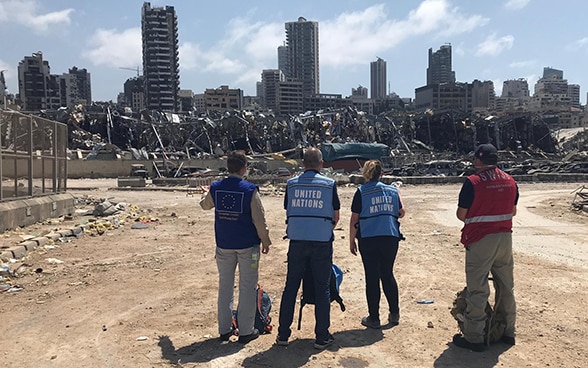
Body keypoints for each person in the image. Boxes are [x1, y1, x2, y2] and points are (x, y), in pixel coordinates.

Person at [199, 151, 272, 344]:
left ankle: (225, 329)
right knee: (248, 287)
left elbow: (205, 205)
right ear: (243, 167)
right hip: (249, 247)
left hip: (224, 245)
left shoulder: (216, 187)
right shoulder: (249, 190)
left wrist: (204, 194)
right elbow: (259, 219)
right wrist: (266, 241)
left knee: (225, 286)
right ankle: (246, 330)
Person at [453, 143, 519, 352]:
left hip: (480, 239)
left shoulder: (473, 182)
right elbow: (513, 211)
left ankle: (474, 337)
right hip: (505, 239)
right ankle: (508, 331)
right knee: (506, 285)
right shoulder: (511, 181)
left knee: (478, 287)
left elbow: (461, 215)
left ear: (479, 160)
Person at [276, 147, 340, 350]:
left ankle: (283, 335)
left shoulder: (291, 184)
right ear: (321, 164)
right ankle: (321, 336)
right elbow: (336, 216)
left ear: (303, 164)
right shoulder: (329, 185)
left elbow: (289, 209)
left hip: (296, 242)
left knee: (291, 287)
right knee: (322, 289)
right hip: (321, 242)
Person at [349, 160, 405, 329]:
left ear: (365, 173)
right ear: (381, 174)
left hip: (369, 237)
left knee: (372, 277)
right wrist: (398, 192)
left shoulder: (361, 192)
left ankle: (374, 318)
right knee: (387, 274)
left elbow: (354, 219)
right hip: (390, 236)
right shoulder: (392, 191)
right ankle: (394, 313)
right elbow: (401, 213)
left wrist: (351, 240)